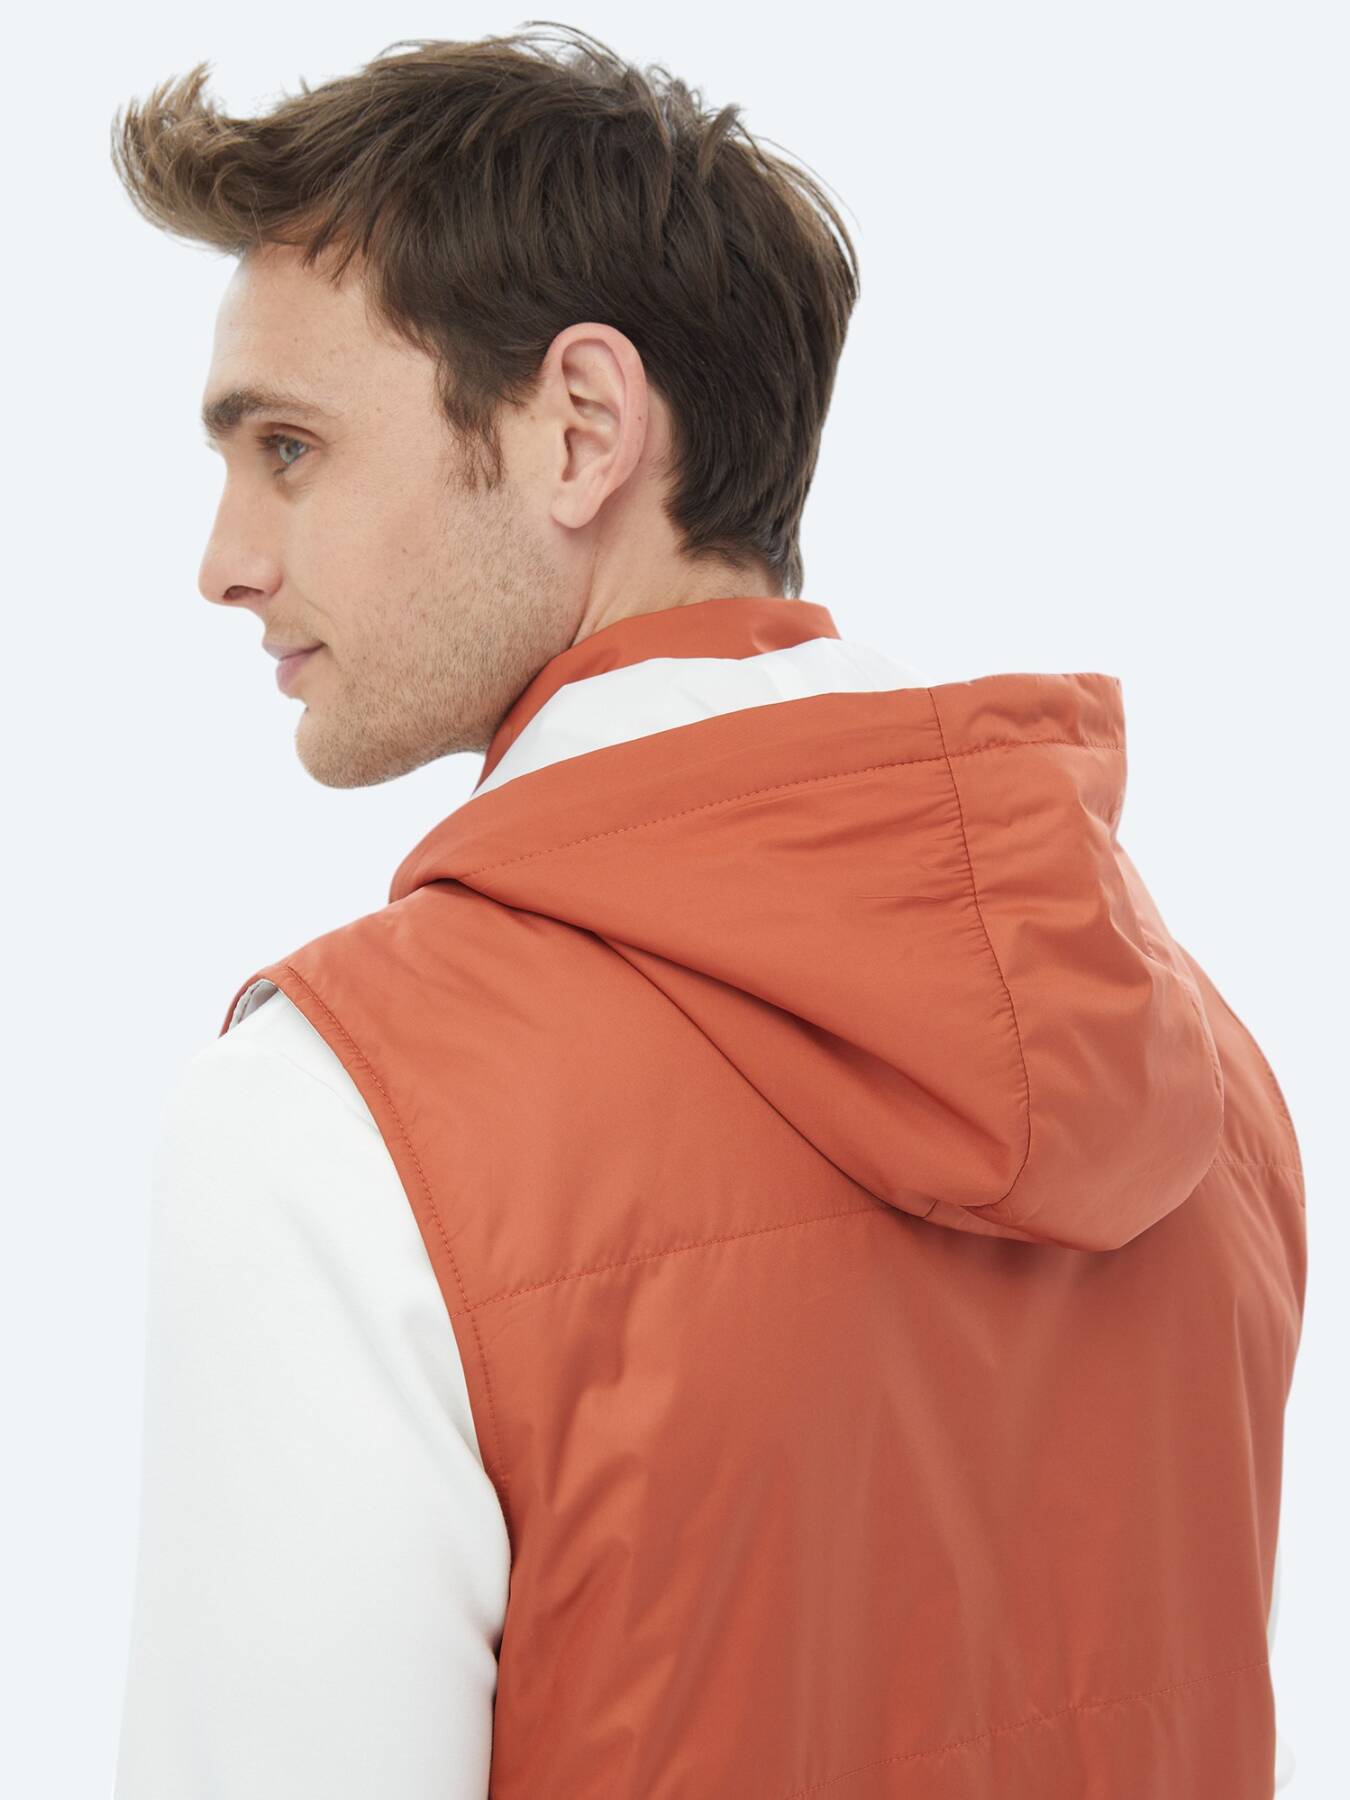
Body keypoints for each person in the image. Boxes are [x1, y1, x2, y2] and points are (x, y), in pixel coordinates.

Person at [108, 25, 1305, 1798]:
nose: (224, 560)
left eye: (288, 446)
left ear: (579, 428)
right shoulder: (1199, 1078)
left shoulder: (336, 1120)